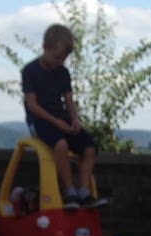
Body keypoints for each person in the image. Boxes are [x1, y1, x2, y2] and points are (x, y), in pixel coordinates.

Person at [22, 23, 99, 208]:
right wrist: (57, 122)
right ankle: (69, 190)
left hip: (61, 119)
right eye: (57, 57)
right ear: (45, 48)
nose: (60, 62)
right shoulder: (30, 71)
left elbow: (69, 100)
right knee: (61, 144)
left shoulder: (63, 73)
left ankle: (84, 191)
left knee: (89, 147)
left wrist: (75, 120)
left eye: (64, 59)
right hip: (40, 120)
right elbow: (32, 105)